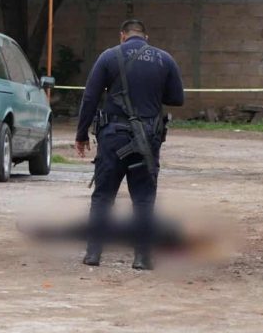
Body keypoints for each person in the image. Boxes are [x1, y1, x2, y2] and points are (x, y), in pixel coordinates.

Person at [75, 19, 184, 270]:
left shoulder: (109, 56)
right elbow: (177, 98)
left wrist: (81, 134)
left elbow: (90, 97)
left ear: (122, 35)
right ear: (146, 37)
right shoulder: (164, 59)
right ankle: (142, 257)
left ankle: (93, 254)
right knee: (143, 199)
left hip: (112, 137)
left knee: (103, 197)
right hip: (147, 138)